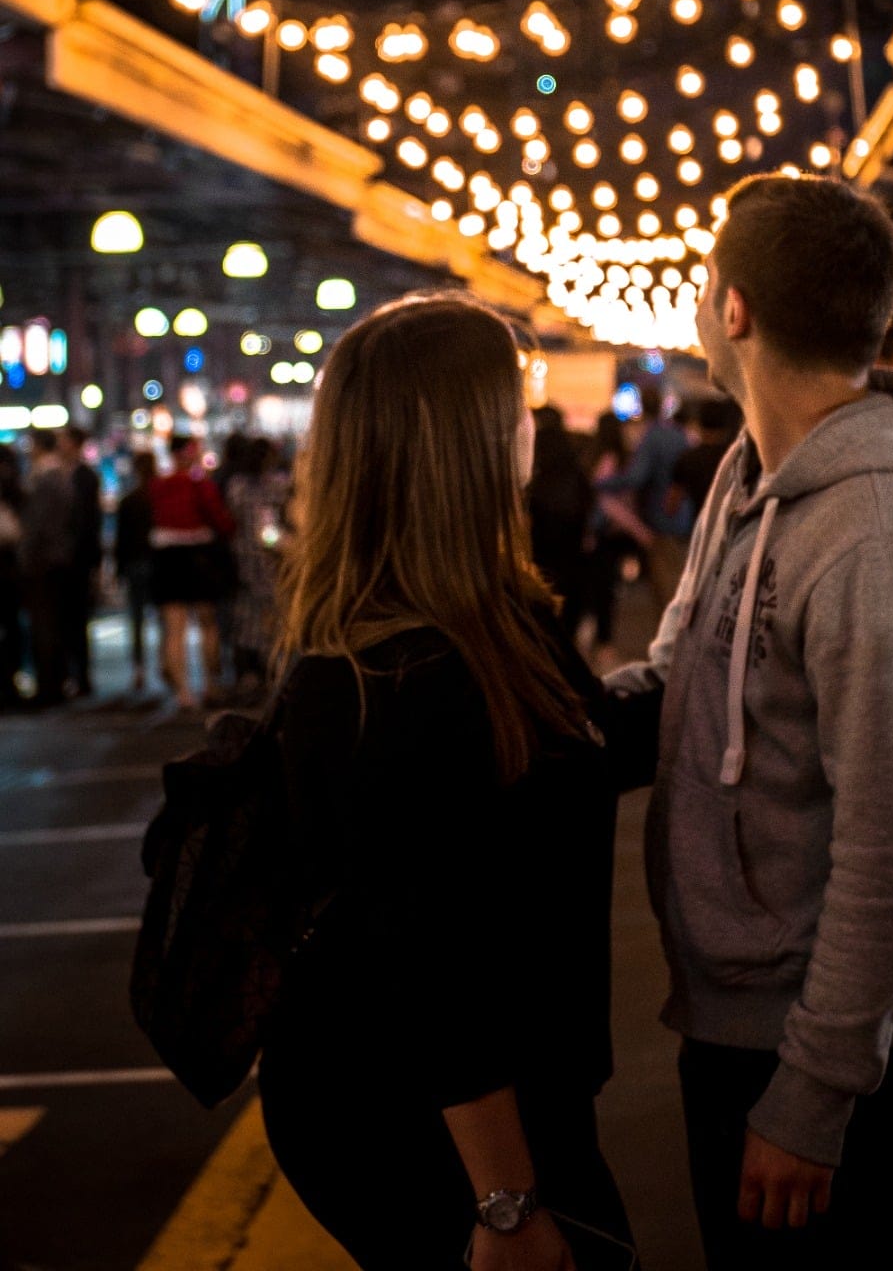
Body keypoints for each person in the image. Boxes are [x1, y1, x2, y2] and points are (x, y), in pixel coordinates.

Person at [610, 173, 893, 1271]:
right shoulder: (751, 472)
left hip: (824, 1044)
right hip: (744, 1016)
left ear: (731, 309)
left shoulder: (874, 533)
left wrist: (812, 1095)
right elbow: (685, 679)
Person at [260, 293, 652, 1271]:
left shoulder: (487, 621)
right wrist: (507, 1206)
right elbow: (432, 966)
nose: (535, 420)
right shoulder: (390, 675)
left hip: (498, 1094)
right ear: (460, 439)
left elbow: (584, 744)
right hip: (420, 1118)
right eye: (516, 400)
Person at [148, 437, 235, 712]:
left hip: (167, 557)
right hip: (198, 555)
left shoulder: (158, 487)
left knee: (175, 627)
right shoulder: (201, 486)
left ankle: (184, 691)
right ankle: (210, 684)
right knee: (208, 622)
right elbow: (222, 521)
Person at [599, 385, 692, 611]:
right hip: (685, 515)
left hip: (661, 517)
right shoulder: (680, 434)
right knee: (682, 582)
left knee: (664, 587)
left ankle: (670, 642)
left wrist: (602, 483)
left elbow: (636, 476)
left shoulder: (652, 436)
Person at [583, 412, 653, 669]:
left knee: (597, 588)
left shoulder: (593, 454)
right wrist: (637, 529)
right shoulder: (613, 458)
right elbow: (607, 502)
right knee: (605, 590)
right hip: (606, 535)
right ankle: (603, 644)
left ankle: (595, 641)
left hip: (597, 535)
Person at [223, 437, 290, 699]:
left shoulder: (237, 487)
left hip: (244, 559)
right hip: (270, 560)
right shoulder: (277, 486)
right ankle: (267, 669)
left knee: (246, 618)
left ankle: (249, 672)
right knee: (270, 617)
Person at [526, 406, 594, 640]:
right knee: (569, 596)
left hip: (540, 541)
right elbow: (586, 496)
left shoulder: (533, 452)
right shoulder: (571, 453)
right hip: (571, 542)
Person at [18, 430, 74, 708]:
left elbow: (36, 526)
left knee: (44, 625)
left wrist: (25, 558)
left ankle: (49, 686)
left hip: (45, 561)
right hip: (58, 558)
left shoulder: (46, 478)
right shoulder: (61, 476)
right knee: (54, 623)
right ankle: (57, 681)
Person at [59, 426, 103, 697]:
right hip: (70, 557)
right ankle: (73, 674)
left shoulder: (84, 477)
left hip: (77, 558)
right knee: (69, 620)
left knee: (76, 618)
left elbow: (89, 521)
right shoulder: (67, 474)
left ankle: (81, 676)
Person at [115, 452, 157, 694]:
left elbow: (122, 540)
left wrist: (119, 569)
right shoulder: (158, 498)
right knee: (163, 618)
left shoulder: (129, 500)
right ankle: (165, 664)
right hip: (156, 562)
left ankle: (139, 667)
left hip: (134, 563)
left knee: (137, 619)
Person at [0, 446, 24, 709]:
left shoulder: (13, 492)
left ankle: (8, 682)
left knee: (11, 628)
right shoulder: (17, 490)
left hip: (8, 567)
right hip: (11, 568)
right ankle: (10, 681)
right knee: (12, 627)